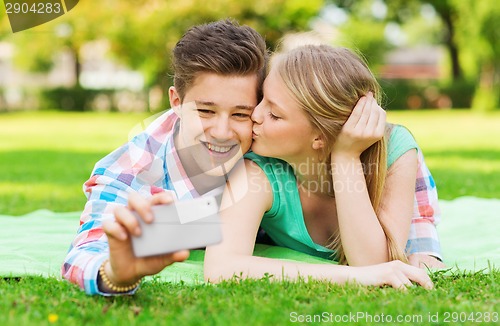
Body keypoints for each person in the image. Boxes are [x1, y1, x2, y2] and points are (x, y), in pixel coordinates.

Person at [204, 44, 443, 289]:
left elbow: (374, 262)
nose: (255, 114)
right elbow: (220, 267)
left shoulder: (395, 151)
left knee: (424, 248)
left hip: (411, 203)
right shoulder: (258, 171)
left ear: (319, 138)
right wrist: (350, 277)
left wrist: (346, 157)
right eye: (262, 99)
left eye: (274, 114)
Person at [61, 19, 268, 295]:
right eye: (205, 111)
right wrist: (115, 274)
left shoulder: (269, 144)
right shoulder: (133, 169)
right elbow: (88, 249)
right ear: (177, 102)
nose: (222, 132)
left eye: (240, 114)